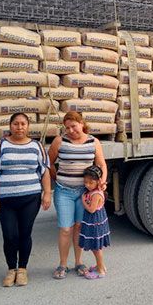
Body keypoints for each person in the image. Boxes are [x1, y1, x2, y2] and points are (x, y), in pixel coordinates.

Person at [0, 113, 52, 287]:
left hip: (30, 198)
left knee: (25, 233)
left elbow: (44, 171)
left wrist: (47, 193)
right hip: (6, 199)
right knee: (9, 235)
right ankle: (11, 269)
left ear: (28, 126)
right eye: (16, 124)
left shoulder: (36, 146)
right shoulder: (1, 145)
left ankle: (22, 269)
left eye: (23, 124)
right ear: (10, 126)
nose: (20, 127)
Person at [48, 111, 107, 279]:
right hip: (64, 192)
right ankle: (62, 264)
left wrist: (101, 182)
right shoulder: (60, 141)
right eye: (67, 128)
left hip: (84, 193)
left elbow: (101, 163)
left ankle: (78, 262)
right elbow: (49, 162)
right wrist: (56, 177)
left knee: (79, 228)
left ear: (82, 123)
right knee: (66, 229)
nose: (70, 130)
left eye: (73, 126)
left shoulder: (93, 142)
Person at [79, 165, 110, 279]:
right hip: (94, 221)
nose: (87, 185)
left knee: (96, 247)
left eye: (90, 182)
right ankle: (99, 265)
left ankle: (101, 270)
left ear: (98, 181)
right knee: (95, 247)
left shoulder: (96, 194)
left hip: (95, 221)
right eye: (85, 182)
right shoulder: (93, 190)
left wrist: (83, 201)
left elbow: (91, 209)